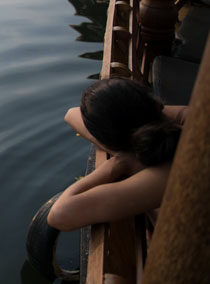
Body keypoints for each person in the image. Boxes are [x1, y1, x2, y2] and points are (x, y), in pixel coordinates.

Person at [47, 78, 188, 232]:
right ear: (154, 103)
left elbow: (60, 215)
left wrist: (118, 163)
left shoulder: (163, 175)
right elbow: (71, 114)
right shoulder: (193, 122)